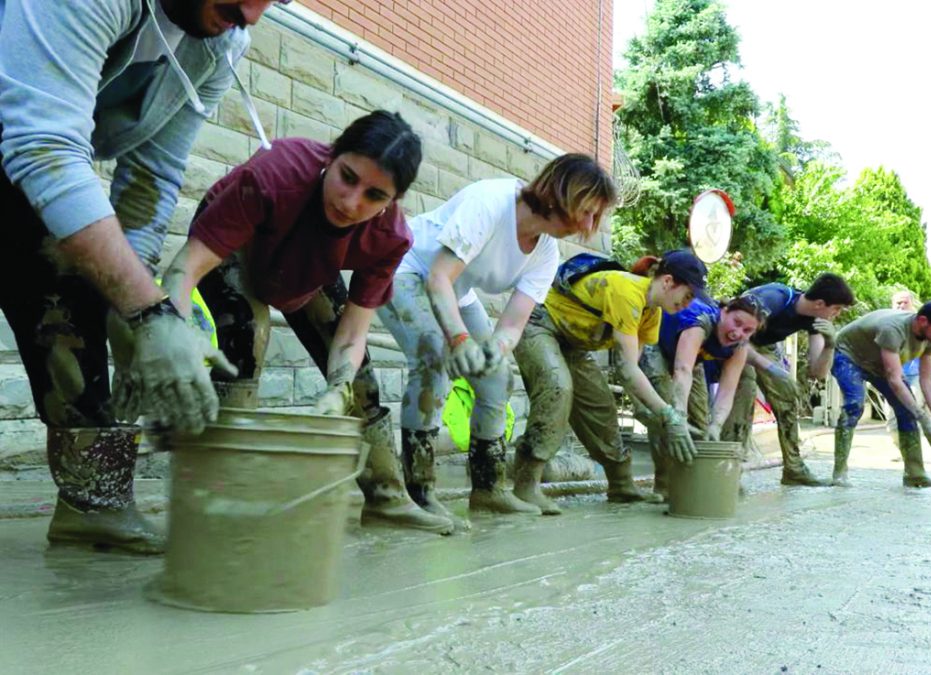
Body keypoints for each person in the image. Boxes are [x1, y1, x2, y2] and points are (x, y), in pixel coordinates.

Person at [0, 0, 278, 553]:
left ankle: (92, 503)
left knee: (77, 277)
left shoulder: (221, 38)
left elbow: (154, 172)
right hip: (23, 132)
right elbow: (42, 145)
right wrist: (148, 310)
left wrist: (133, 311)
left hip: (27, 145)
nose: (252, 12)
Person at [159, 111, 453, 533]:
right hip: (240, 245)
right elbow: (185, 270)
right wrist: (172, 333)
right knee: (245, 338)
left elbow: (352, 333)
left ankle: (387, 499)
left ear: (393, 202)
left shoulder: (390, 238)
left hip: (309, 266)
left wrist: (339, 388)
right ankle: (215, 500)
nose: (351, 203)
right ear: (331, 156)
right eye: (347, 177)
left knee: (359, 382)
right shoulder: (275, 172)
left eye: (374, 195)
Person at [378, 154, 617, 528]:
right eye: (587, 212)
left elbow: (512, 325)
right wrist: (458, 340)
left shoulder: (546, 252)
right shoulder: (490, 202)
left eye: (595, 217)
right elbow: (438, 276)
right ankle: (419, 492)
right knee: (434, 360)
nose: (587, 225)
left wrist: (493, 351)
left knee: (497, 377)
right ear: (561, 194)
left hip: (456, 291)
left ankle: (489, 489)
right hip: (406, 268)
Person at [512, 249, 708, 515]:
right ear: (667, 282)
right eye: (687, 296)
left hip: (573, 344)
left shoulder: (653, 314)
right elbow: (626, 368)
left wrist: (647, 410)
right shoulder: (627, 290)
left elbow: (632, 370)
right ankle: (526, 483)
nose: (687, 304)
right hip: (538, 324)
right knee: (558, 387)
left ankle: (620, 484)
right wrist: (669, 415)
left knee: (601, 406)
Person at [721, 274, 856, 486]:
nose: (837, 315)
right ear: (820, 304)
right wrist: (773, 370)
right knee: (743, 397)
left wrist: (830, 343)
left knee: (788, 397)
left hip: (764, 346)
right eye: (836, 309)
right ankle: (729, 472)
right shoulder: (774, 298)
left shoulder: (815, 319)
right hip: (738, 342)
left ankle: (793, 467)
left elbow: (817, 373)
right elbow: (735, 335)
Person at [639, 294, 767, 501]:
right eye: (737, 323)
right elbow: (682, 370)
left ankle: (698, 482)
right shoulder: (700, 323)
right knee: (667, 415)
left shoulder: (740, 347)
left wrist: (716, 424)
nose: (737, 333)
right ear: (724, 312)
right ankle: (664, 485)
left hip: (692, 359)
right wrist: (678, 415)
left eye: (747, 330)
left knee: (701, 428)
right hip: (657, 345)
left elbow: (727, 392)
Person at [831, 300, 931, 488]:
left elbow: (928, 381)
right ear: (923, 320)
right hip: (848, 355)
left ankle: (915, 473)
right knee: (854, 405)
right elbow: (894, 379)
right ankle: (839, 473)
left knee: (907, 409)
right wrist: (924, 420)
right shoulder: (893, 329)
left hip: (878, 365)